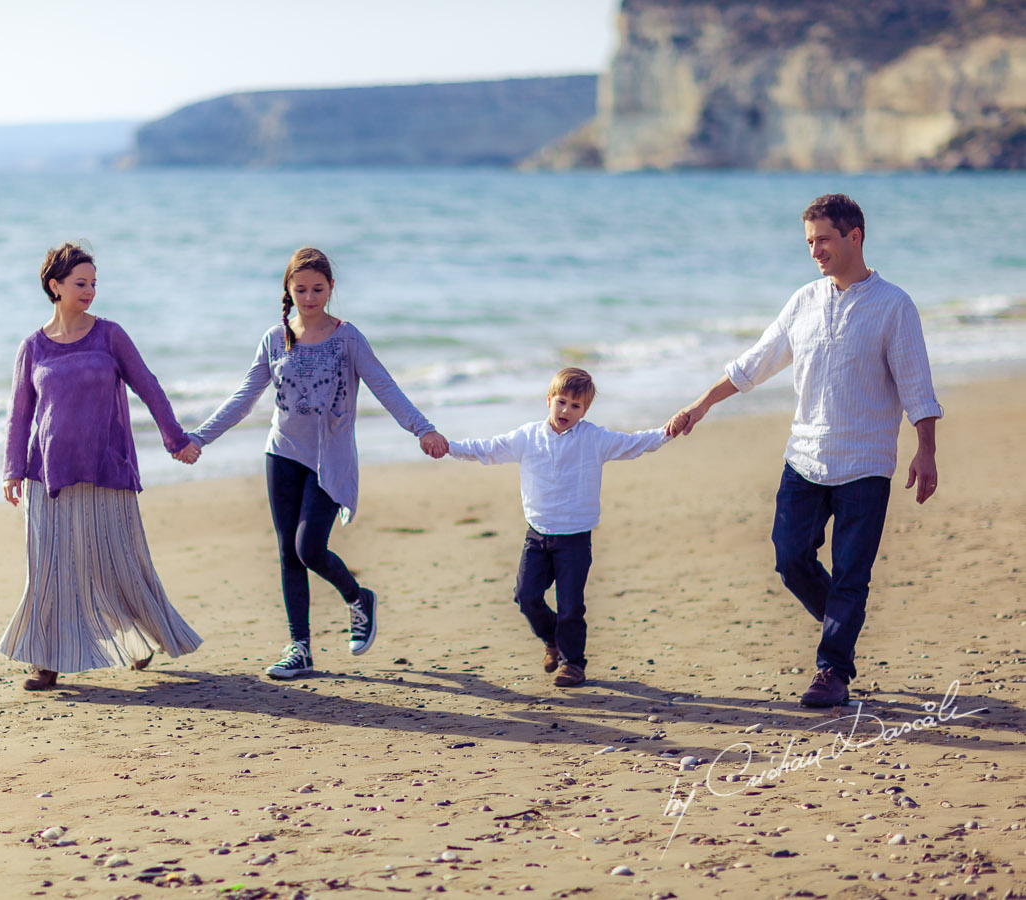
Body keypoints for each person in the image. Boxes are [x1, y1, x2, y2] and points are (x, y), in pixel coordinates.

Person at [667, 193, 942, 708]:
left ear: (854, 237)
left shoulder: (894, 306)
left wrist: (925, 450)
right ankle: (842, 619)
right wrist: (701, 404)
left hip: (865, 465)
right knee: (791, 559)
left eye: (823, 240)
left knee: (851, 574)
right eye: (809, 241)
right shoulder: (803, 301)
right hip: (805, 461)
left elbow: (916, 386)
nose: (814, 250)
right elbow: (755, 362)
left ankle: (832, 669)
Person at [181, 247, 448, 679]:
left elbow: (385, 387)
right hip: (282, 454)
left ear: (331, 289)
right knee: (288, 552)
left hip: (331, 458)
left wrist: (423, 429)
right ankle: (299, 649)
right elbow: (244, 399)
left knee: (309, 549)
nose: (309, 297)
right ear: (288, 289)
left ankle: (357, 598)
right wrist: (198, 437)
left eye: (317, 289)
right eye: (300, 289)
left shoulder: (348, 339)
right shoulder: (274, 338)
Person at [0, 241, 203, 691]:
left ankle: (137, 639)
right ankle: (46, 661)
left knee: (119, 565)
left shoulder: (109, 335)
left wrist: (176, 439)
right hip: (47, 474)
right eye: (80, 283)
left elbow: (148, 386)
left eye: (93, 283)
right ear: (55, 286)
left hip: (107, 467)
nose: (90, 291)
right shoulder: (32, 347)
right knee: (49, 569)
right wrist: (13, 468)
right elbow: (19, 414)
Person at [446, 367, 682, 687]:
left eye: (576, 406)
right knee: (526, 597)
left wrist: (669, 430)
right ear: (548, 400)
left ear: (585, 411)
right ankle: (552, 640)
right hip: (537, 535)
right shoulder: (527, 437)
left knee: (571, 605)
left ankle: (573, 663)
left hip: (575, 538)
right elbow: (487, 449)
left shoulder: (594, 439)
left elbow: (635, 443)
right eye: (561, 402)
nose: (566, 411)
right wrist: (448, 447)